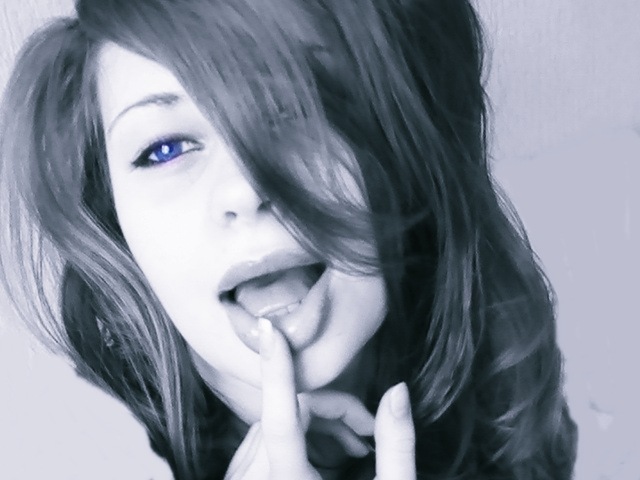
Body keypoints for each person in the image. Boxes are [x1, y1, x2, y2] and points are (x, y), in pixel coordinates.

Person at [0, 0, 578, 478]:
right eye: (165, 148)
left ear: (408, 149)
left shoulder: (527, 410)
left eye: (297, 108)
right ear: (114, 225)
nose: (246, 187)